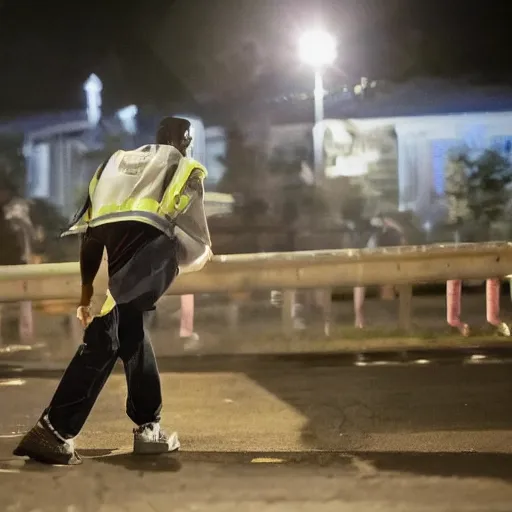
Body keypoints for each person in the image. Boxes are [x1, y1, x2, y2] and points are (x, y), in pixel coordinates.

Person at [13, 117, 212, 465]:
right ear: (186, 140)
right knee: (110, 336)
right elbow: (197, 246)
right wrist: (174, 261)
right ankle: (55, 429)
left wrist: (87, 292)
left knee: (127, 328)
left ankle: (146, 427)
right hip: (149, 243)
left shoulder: (116, 163)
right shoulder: (182, 167)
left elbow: (91, 235)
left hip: (109, 240)